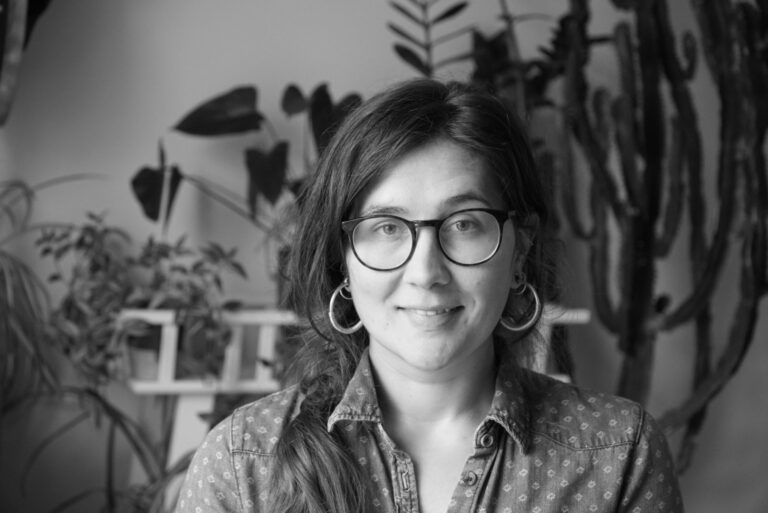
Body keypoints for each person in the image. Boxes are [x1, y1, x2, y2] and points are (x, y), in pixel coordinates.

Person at [174, 78, 684, 513]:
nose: (426, 272)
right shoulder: (244, 463)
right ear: (344, 263)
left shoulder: (617, 452)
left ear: (519, 251)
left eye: (464, 224)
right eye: (387, 227)